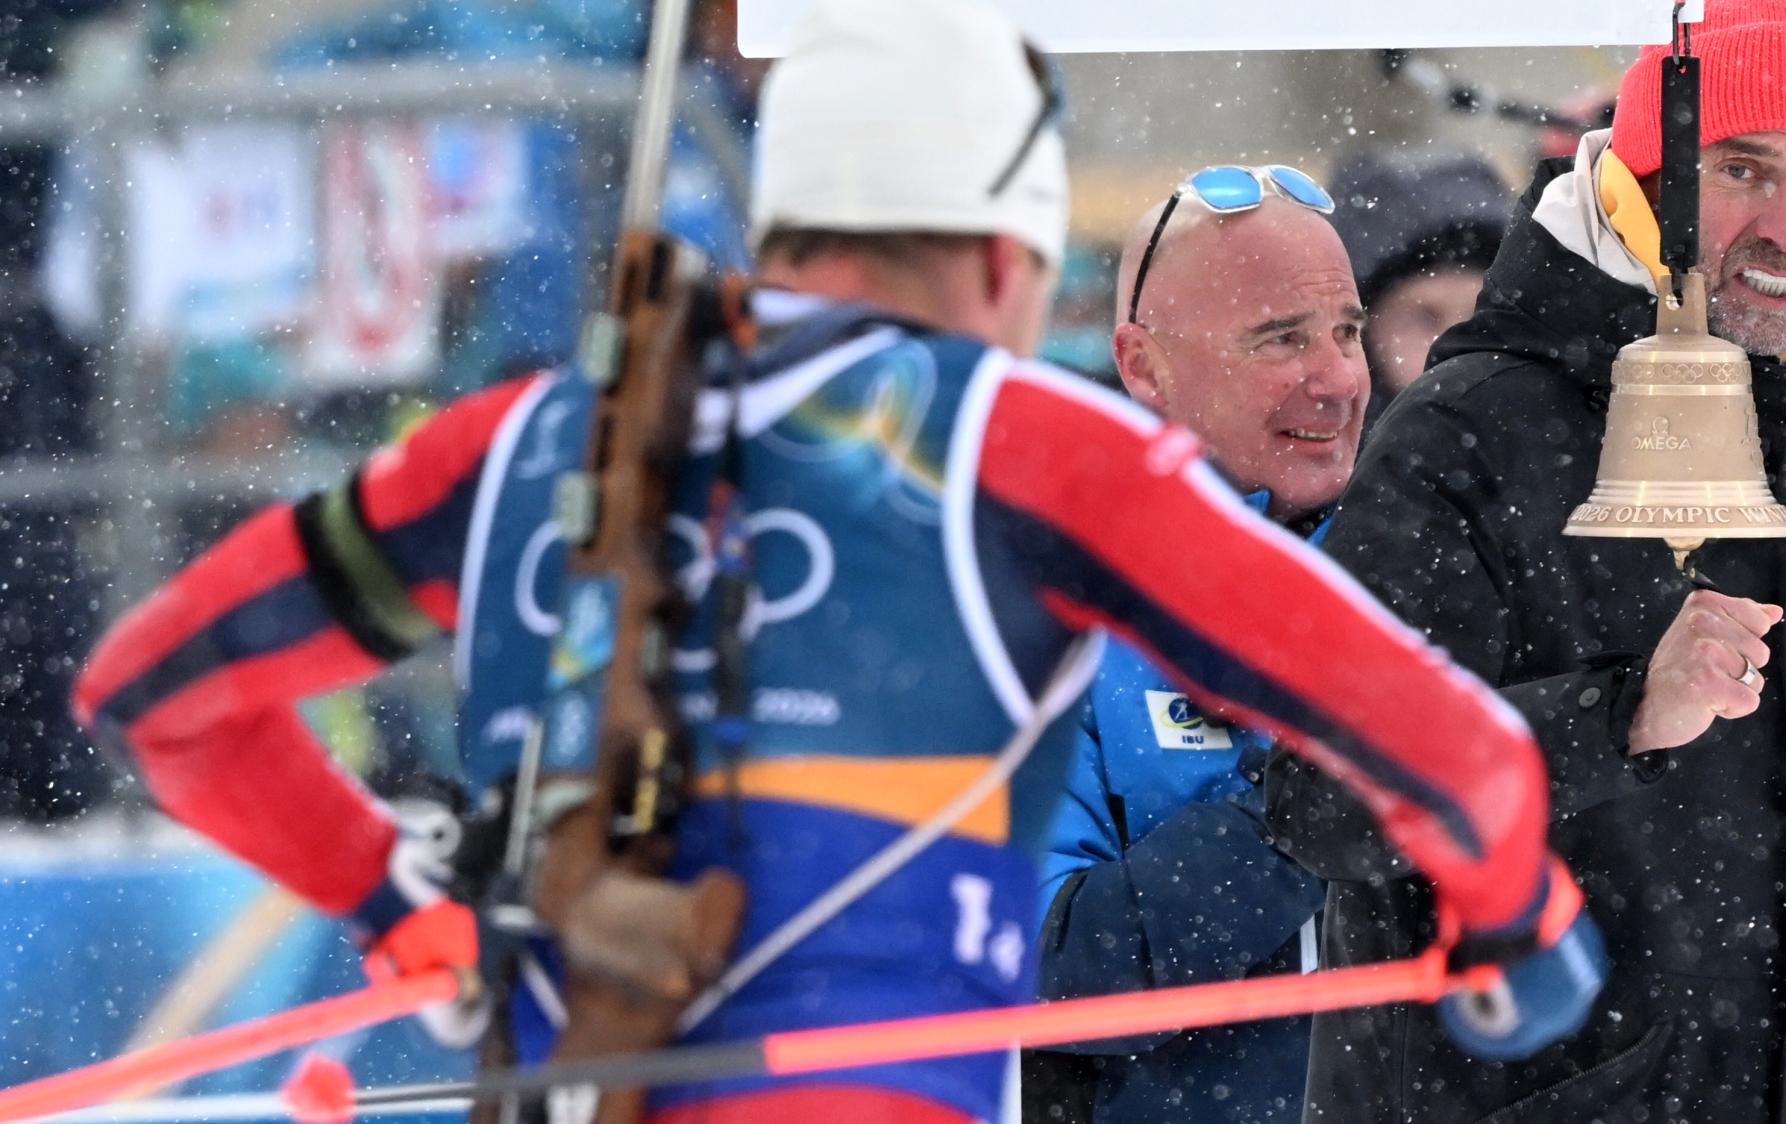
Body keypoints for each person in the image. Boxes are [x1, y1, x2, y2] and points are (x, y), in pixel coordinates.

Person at [71, 0, 1604, 1121]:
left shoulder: (522, 440)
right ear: (1008, 258)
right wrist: (1520, 932)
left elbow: (159, 700)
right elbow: (1456, 756)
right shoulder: (1031, 449)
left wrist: (398, 907)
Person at [1268, 1, 1786, 1120]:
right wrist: (1617, 714)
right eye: (1742, 169)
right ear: (1643, 184)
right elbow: (1323, 795)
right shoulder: (1467, 431)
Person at [1026, 166, 1367, 1124]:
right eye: (1280, 339)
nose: (1337, 377)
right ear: (1143, 364)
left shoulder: (1437, 569)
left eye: (1345, 329)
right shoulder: (1054, 612)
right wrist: (1320, 797)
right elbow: (1057, 973)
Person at [1324, 150, 1508, 422]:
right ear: (1361, 334)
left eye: (1482, 318)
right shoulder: (1300, 456)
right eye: (1425, 319)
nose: (1458, 348)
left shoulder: (1570, 443)